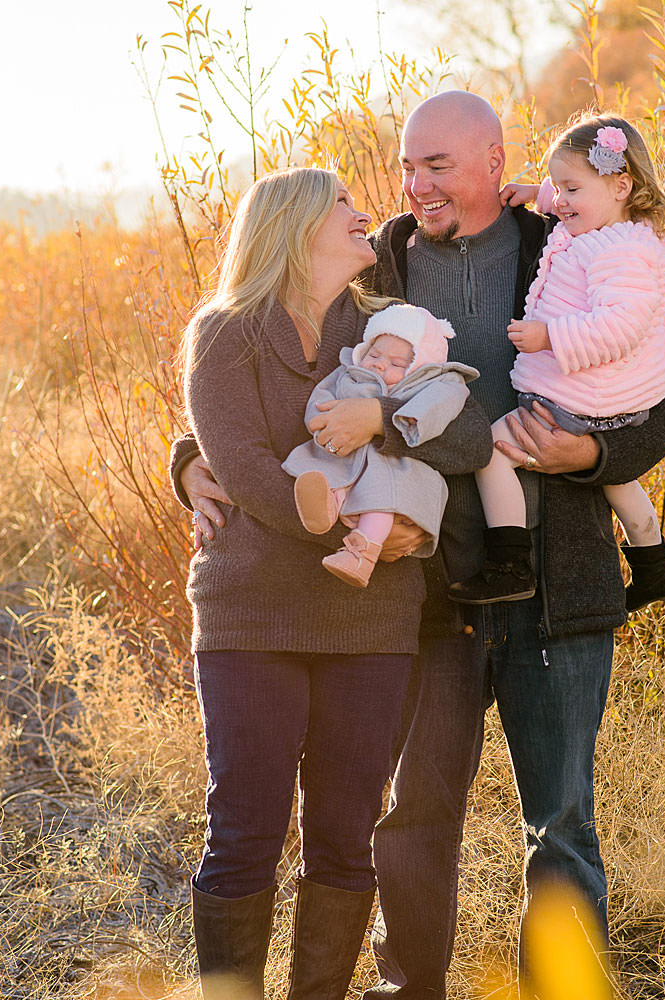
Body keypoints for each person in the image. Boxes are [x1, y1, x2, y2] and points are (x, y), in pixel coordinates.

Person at [173, 92, 665, 998]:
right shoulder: (384, 271)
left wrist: (595, 451)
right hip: (427, 592)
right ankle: (409, 987)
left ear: (496, 161)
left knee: (561, 820)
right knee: (411, 819)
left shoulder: (568, 240)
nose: (414, 185)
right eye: (407, 167)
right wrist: (191, 459)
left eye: (437, 166)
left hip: (553, 582)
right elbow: (271, 365)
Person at [179, 165, 492, 1000]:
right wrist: (330, 518)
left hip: (370, 616)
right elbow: (237, 461)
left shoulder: (393, 328)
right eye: (344, 206)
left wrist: (393, 477)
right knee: (245, 830)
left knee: (345, 837)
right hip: (252, 613)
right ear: (297, 224)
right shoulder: (227, 330)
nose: (365, 215)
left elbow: (462, 433)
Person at [448, 114, 665, 610]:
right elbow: (570, 209)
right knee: (617, 477)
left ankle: (509, 563)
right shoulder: (611, 228)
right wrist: (537, 191)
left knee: (492, 453)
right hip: (602, 400)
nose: (560, 202)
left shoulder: (619, 254)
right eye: (557, 187)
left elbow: (618, 327)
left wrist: (548, 336)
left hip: (581, 395)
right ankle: (654, 566)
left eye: (570, 188)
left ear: (621, 185)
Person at [283, 302, 479, 588]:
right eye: (374, 354)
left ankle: (361, 555)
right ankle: (323, 510)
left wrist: (399, 420)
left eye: (397, 364)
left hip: (397, 467)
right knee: (330, 478)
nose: (379, 364)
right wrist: (322, 423)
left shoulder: (437, 383)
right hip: (342, 455)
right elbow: (321, 396)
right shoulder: (349, 372)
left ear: (420, 367)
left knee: (384, 496)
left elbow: (441, 403)